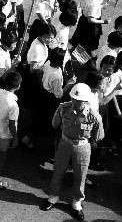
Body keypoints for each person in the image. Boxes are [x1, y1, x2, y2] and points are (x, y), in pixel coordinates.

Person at [40, 83, 104, 221]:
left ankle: (76, 202)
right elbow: (54, 124)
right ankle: (53, 197)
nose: (75, 101)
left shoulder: (94, 116)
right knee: (58, 171)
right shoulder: (63, 108)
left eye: (79, 100)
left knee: (80, 175)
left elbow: (99, 136)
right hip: (64, 143)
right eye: (74, 98)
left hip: (82, 147)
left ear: (85, 100)